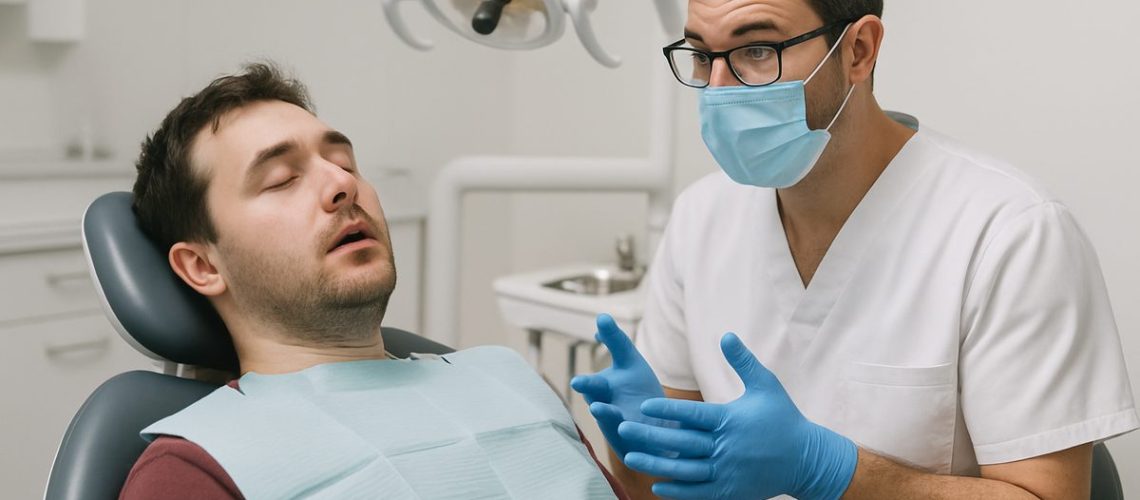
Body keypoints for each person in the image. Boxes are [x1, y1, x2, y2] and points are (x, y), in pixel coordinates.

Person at [572, 1, 1139, 498]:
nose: (718, 90)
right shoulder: (700, 217)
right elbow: (664, 491)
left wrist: (833, 472)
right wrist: (638, 454)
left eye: (757, 51)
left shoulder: (1011, 233)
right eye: (701, 56)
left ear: (858, 50)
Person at [118, 63, 627, 500]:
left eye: (343, 163)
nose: (342, 183)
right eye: (282, 179)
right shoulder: (194, 470)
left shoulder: (509, 378)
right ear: (203, 266)